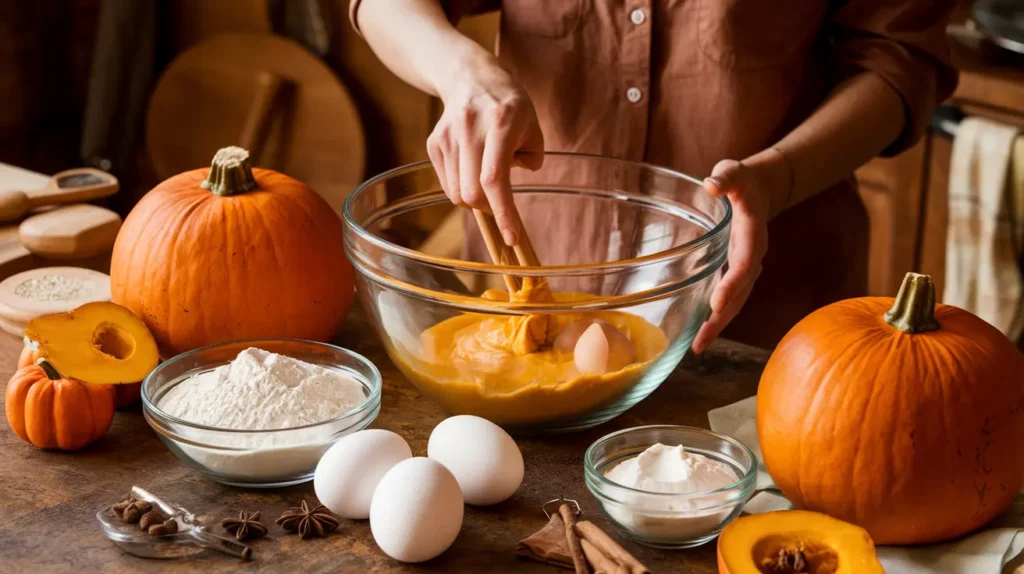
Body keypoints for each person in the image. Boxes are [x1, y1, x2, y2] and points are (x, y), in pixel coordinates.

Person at [349, 0, 957, 351]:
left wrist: (778, 177)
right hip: (531, 304)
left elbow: (899, 58)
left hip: (760, 316)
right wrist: (461, 72)